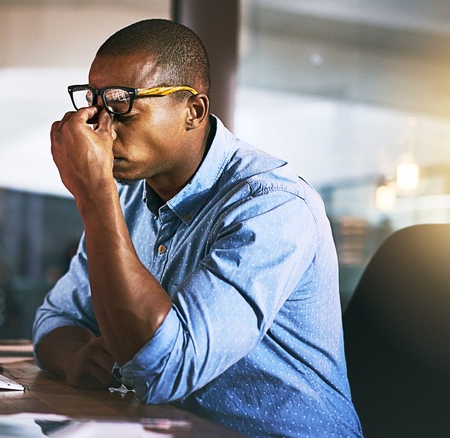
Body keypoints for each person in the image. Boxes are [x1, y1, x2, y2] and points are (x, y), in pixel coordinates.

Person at [32, 18, 362, 437]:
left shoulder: (272, 206)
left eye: (121, 103)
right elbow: (55, 318)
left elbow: (163, 367)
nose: (100, 126)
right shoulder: (132, 198)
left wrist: (94, 194)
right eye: (93, 102)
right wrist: (75, 357)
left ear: (194, 111)